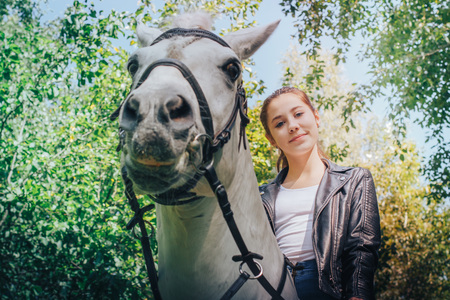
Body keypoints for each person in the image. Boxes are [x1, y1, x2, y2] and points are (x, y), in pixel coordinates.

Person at [258, 86, 381, 300]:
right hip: (271, 288)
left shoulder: (354, 180)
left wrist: (357, 296)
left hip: (327, 288)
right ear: (271, 139)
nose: (293, 126)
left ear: (316, 117)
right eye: (280, 123)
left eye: (298, 114)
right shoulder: (261, 196)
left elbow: (361, 249)